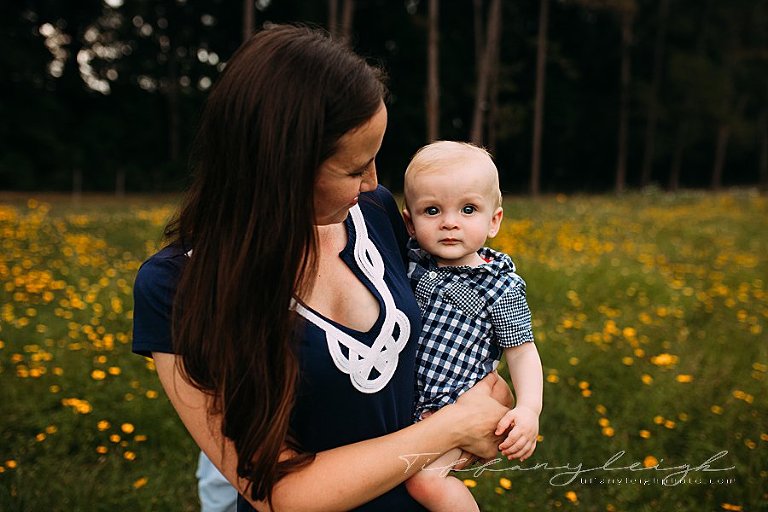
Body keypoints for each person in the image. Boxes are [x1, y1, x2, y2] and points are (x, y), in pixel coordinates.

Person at [132, 25, 511, 511]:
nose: (374, 182)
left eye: (375, 160)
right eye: (355, 169)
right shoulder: (177, 287)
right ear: (280, 167)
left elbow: (453, 327)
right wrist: (451, 428)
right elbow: (283, 495)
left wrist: (486, 397)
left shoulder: (374, 212)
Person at [401, 141, 544, 512]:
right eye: (432, 210)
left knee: (423, 481)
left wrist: (529, 409)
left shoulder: (497, 285)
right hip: (411, 406)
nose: (450, 222)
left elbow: (523, 351)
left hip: (458, 403)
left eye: (468, 209)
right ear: (409, 223)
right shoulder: (412, 263)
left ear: (494, 220)